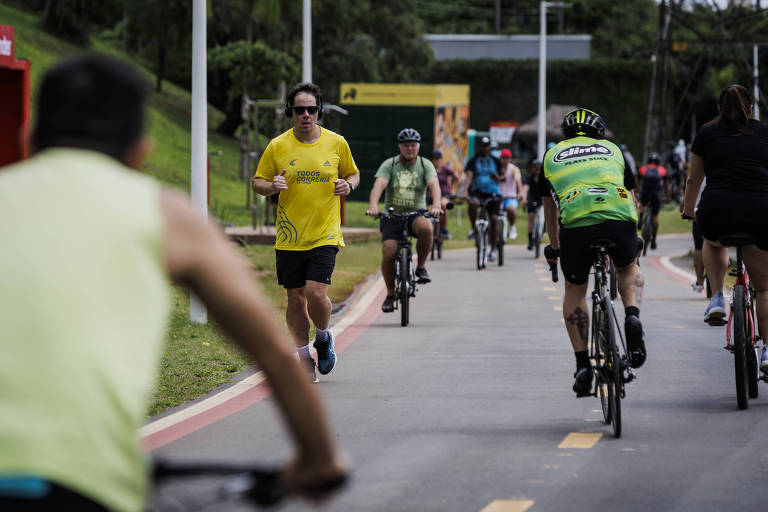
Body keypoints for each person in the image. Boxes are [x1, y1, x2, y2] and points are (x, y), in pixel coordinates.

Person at [0, 55, 347, 511]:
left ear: (28, 138)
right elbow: (272, 356)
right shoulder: (164, 215)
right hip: (82, 484)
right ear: (140, 150)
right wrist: (318, 458)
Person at [252, 82, 360, 383]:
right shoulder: (278, 146)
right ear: (291, 112)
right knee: (295, 300)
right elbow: (257, 182)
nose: (306, 115)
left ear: (319, 112)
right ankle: (302, 356)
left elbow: (353, 172)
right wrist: (272, 185)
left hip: (324, 233)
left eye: (311, 109)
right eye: (299, 110)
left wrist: (348, 185)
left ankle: (323, 337)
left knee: (315, 293)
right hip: (289, 236)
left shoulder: (337, 143)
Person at [541, 108, 646, 396]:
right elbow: (633, 199)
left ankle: (583, 365)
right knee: (627, 267)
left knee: (575, 287)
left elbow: (550, 209)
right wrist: (634, 236)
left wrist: (556, 246)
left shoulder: (551, 156)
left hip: (577, 222)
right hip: (619, 217)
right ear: (599, 133)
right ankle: (632, 316)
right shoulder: (613, 150)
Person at [682, 85, 768, 373]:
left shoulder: (706, 134)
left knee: (712, 241)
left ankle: (717, 295)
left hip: (719, 208)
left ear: (720, 109)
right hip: (760, 209)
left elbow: (694, 180)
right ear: (751, 109)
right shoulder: (764, 132)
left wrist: (687, 209)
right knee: (765, 289)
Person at [366, 128, 443, 313]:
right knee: (389, 251)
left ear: (418, 147)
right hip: (392, 215)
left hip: (417, 213)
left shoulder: (425, 165)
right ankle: (391, 294)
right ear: (400, 147)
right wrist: (374, 206)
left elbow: (434, 185)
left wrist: (437, 205)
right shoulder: (390, 164)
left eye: (413, 145)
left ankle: (421, 267)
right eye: (406, 145)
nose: (410, 149)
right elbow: (379, 185)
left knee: (427, 228)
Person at [464, 136, 502, 261]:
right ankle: (473, 229)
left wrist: (498, 178)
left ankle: (493, 249)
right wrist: (465, 191)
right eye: (483, 146)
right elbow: (469, 177)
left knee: (494, 218)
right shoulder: (473, 161)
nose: (485, 149)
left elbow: (503, 177)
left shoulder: (496, 161)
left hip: (493, 193)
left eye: (487, 146)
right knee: (473, 203)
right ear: (479, 147)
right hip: (477, 192)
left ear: (490, 147)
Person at [637, 152, 669, 250]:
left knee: (642, 205)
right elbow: (666, 185)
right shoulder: (662, 170)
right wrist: (667, 196)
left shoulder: (643, 169)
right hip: (656, 195)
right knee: (655, 216)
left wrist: (637, 191)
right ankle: (654, 240)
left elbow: (637, 182)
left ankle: (641, 219)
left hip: (645, 194)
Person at [430, 149, 458, 239]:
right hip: (430, 194)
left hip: (444, 193)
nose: (436, 160)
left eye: (438, 158)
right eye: (434, 158)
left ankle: (443, 229)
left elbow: (458, 177)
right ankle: (430, 230)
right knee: (428, 210)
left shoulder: (445, 168)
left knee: (443, 205)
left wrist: (454, 190)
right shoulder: (429, 169)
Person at [498, 148, 524, 240]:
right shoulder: (497, 168)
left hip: (511, 197)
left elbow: (518, 180)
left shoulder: (514, 169)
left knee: (511, 209)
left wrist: (520, 192)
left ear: (510, 159)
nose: (505, 160)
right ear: (500, 158)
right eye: (503, 158)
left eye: (507, 158)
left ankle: (512, 226)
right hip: (498, 197)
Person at [522, 158, 543, 250]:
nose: (537, 170)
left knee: (546, 215)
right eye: (536, 168)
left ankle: (542, 231)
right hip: (532, 199)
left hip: (542, 199)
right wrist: (524, 199)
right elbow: (525, 189)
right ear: (533, 168)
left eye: (539, 168)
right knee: (531, 217)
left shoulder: (545, 178)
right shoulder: (529, 177)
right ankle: (530, 240)